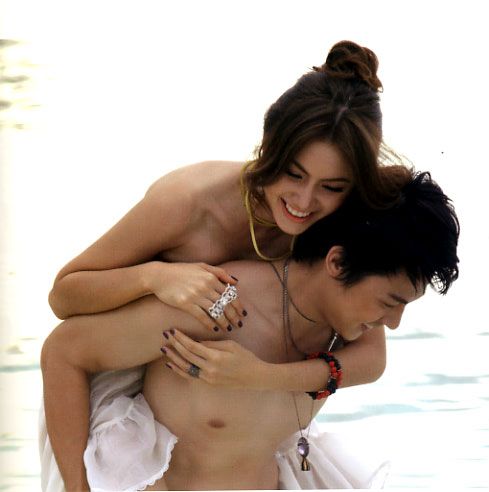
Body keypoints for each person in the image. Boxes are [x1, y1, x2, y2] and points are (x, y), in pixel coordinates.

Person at [40, 169, 460, 490]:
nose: (393, 323)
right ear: (336, 263)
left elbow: (373, 365)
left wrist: (258, 376)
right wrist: (78, 488)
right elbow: (64, 351)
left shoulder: (344, 327)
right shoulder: (220, 306)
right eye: (391, 302)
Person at [46, 41, 404, 396]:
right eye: (294, 175)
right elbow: (63, 296)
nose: (304, 201)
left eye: (332, 186)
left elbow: (372, 358)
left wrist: (263, 376)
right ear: (269, 147)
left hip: (231, 405)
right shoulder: (186, 202)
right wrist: (154, 277)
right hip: (110, 394)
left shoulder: (342, 220)